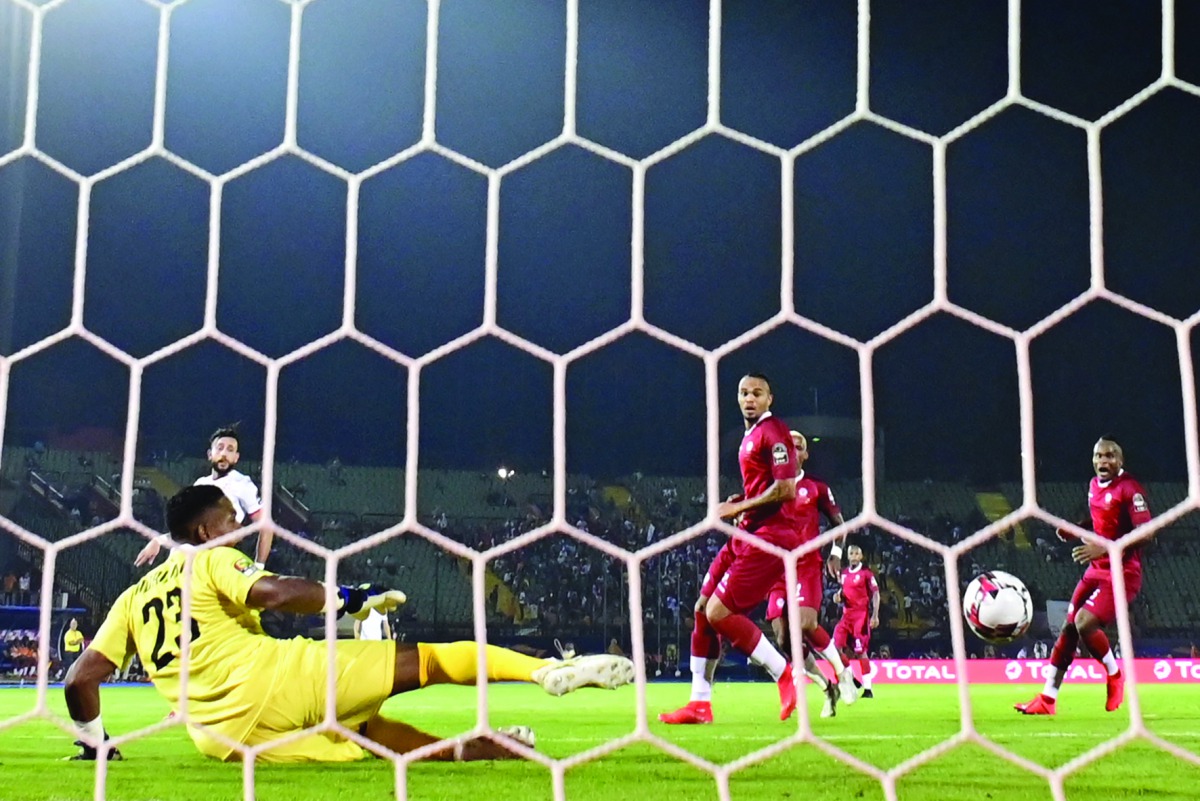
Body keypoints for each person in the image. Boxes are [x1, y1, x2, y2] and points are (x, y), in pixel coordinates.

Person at [65, 485, 634, 762]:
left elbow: (79, 681)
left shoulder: (130, 599)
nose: (240, 529)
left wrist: (98, 744)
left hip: (222, 739)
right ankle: (544, 671)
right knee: (427, 661)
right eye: (233, 521)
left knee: (365, 730)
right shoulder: (213, 558)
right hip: (272, 681)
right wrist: (348, 599)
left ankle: (479, 751)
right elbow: (277, 592)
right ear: (209, 532)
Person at [659, 374, 802, 725]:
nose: (749, 399)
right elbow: (763, 486)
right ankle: (699, 704)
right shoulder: (749, 436)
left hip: (770, 536)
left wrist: (736, 509)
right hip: (748, 532)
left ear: (770, 398)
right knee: (702, 609)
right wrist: (745, 502)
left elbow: (785, 489)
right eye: (743, 393)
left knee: (719, 613)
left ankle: (784, 673)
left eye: (757, 393)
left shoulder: (775, 432)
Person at [1015, 435, 1152, 716]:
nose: (1103, 461)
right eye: (1099, 456)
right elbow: (1103, 521)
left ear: (1120, 460)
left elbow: (1146, 532)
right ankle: (1047, 698)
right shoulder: (1093, 486)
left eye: (1110, 455)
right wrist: (1076, 529)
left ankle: (1115, 675)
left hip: (1122, 572)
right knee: (1068, 629)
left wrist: (1103, 547)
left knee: (1084, 622)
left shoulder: (1130, 489)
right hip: (1097, 570)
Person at [764, 431, 856, 717]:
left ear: (804, 455)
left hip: (805, 564)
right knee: (782, 639)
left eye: (799, 446)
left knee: (805, 622)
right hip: (775, 569)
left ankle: (843, 673)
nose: (793, 449)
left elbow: (839, 524)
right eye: (787, 446)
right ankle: (826, 687)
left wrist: (836, 554)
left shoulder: (816, 488)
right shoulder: (768, 487)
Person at [135, 426, 271, 569]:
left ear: (236, 457)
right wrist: (159, 541)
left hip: (216, 561)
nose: (224, 454)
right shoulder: (201, 483)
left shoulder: (243, 484)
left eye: (230, 450)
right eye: (220, 448)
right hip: (186, 559)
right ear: (209, 454)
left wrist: (259, 565)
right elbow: (187, 528)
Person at [831, 545, 880, 697]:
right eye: (851, 553)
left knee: (860, 652)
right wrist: (837, 597)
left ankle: (868, 689)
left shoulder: (866, 573)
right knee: (834, 648)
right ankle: (852, 677)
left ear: (861, 556)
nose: (853, 556)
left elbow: (876, 594)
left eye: (856, 553)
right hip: (846, 617)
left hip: (861, 617)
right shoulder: (844, 574)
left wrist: (875, 615)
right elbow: (841, 593)